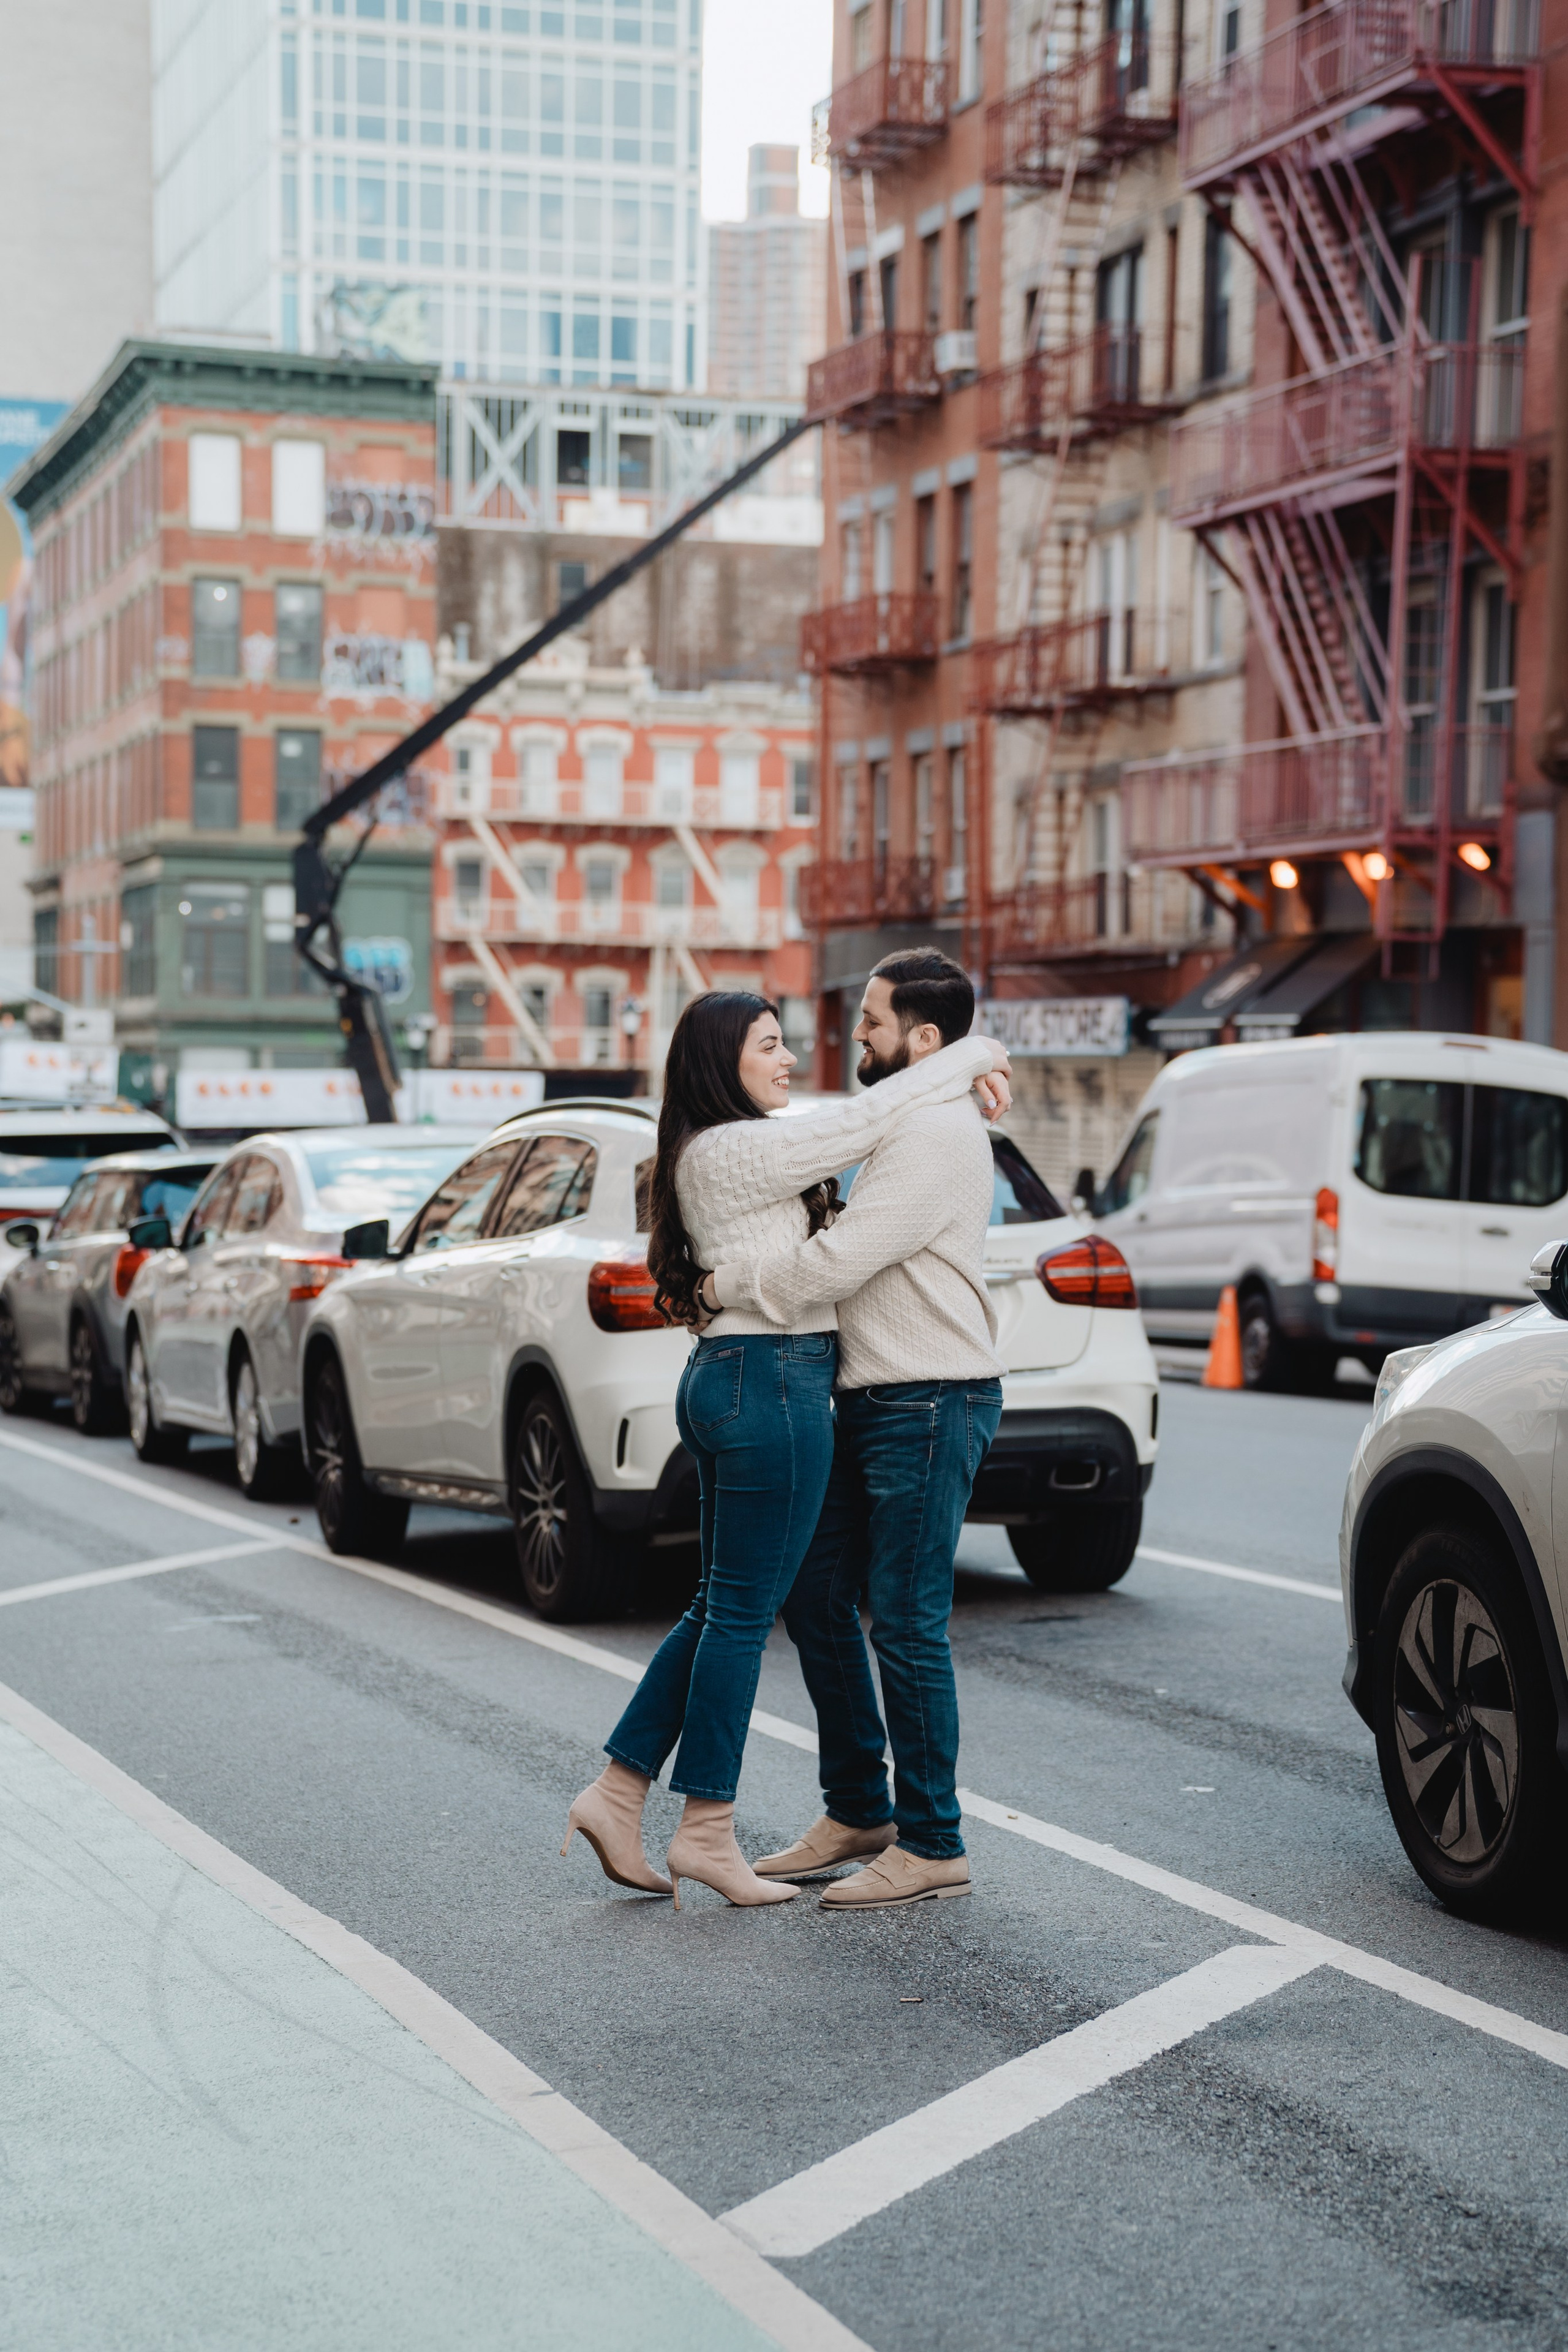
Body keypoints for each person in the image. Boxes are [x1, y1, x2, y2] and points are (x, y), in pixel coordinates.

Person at [559, 988, 1011, 1909]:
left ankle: (621, 1792)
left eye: (786, 1042)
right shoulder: (735, 1149)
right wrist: (976, 1056)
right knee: (738, 1613)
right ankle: (707, 1831)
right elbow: (862, 1122)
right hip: (769, 1379)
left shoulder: (740, 1143)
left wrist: (965, 1061)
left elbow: (859, 1129)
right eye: (769, 1045)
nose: (793, 1058)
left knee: (728, 1605)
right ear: (720, 1061)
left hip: (764, 1378)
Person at [699, 949, 1005, 1909]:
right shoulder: (908, 1115)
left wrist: (725, 1285)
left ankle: (934, 1842)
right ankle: (860, 1808)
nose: (855, 1035)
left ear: (923, 1038)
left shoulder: (937, 1132)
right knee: (816, 1593)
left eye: (871, 1021)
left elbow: (837, 1264)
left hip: (930, 1397)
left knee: (906, 1622)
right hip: (874, 1398)